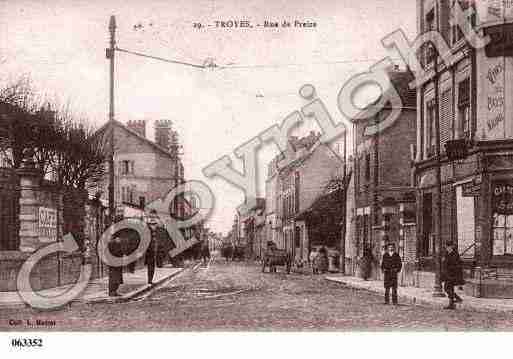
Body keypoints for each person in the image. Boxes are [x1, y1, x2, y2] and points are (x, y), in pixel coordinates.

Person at [442, 241, 464, 310]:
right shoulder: (446, 253)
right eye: (446, 247)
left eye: (448, 247)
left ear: (451, 246)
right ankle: (452, 304)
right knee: (449, 288)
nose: (447, 248)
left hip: (453, 274)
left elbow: (457, 265)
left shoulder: (455, 254)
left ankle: (457, 299)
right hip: (447, 274)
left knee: (446, 288)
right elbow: (445, 262)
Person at [145, 210, 159, 285]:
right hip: (148, 249)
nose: (152, 218)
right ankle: (149, 280)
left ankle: (150, 280)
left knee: (152, 265)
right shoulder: (146, 226)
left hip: (154, 248)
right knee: (150, 264)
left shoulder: (157, 226)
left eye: (154, 216)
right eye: (151, 216)